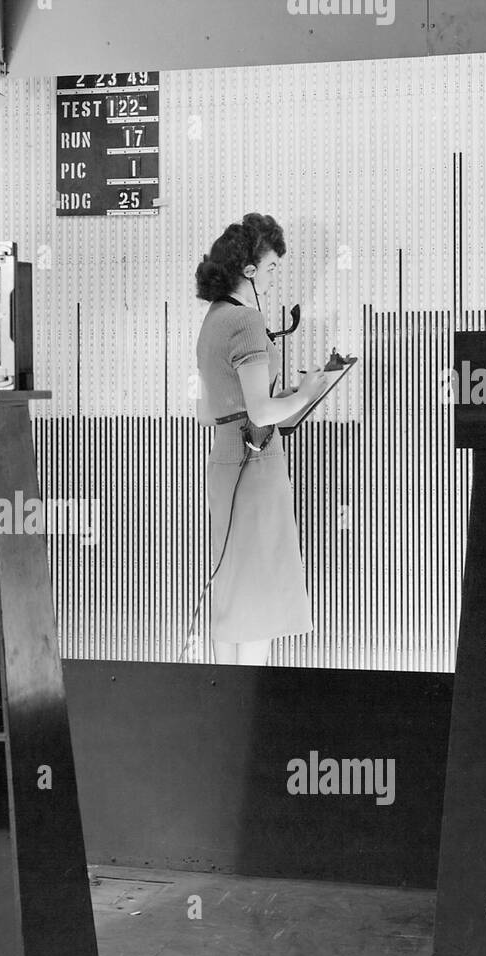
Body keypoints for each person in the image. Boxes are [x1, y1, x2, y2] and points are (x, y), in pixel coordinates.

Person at [193, 213, 337, 665]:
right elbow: (261, 411)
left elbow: (212, 408)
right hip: (255, 466)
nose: (276, 278)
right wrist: (311, 390)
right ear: (249, 271)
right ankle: (250, 707)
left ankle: (226, 703)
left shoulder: (214, 319)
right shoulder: (248, 321)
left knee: (233, 588)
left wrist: (284, 399)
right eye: (272, 267)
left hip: (225, 460)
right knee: (258, 594)